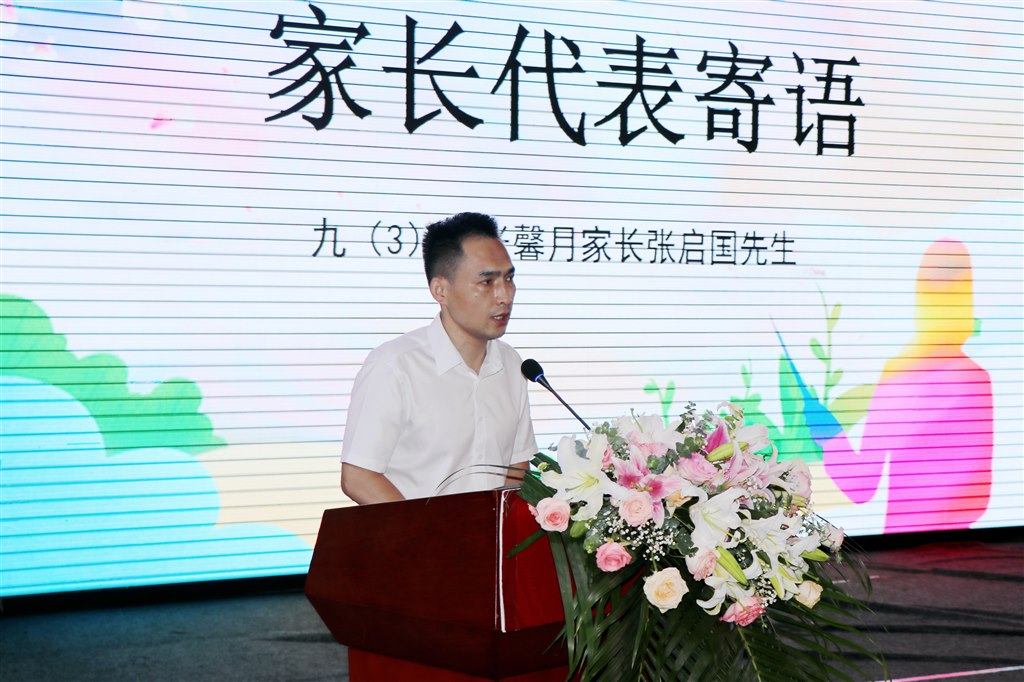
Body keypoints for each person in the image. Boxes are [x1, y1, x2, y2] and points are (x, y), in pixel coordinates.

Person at [791, 239, 993, 533]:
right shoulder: (977, 378)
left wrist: (830, 436)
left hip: (907, 548)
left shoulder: (901, 372)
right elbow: (979, 499)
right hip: (959, 547)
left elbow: (860, 486)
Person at [340, 212, 537, 504]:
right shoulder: (395, 366)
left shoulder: (512, 365)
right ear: (440, 290)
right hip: (418, 534)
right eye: (487, 282)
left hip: (489, 535)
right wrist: (428, 530)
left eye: (509, 278)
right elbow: (358, 476)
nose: (505, 296)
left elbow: (517, 467)